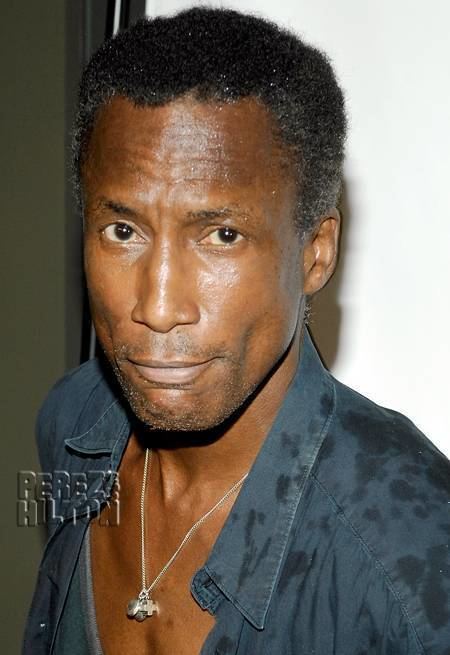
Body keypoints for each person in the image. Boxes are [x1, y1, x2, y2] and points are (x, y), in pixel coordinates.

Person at [23, 7, 450, 655]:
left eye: (221, 235)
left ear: (315, 252)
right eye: (123, 231)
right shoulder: (71, 423)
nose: (159, 306)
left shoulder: (412, 559)